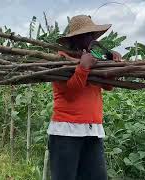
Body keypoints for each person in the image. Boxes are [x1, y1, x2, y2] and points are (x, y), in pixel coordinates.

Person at [47, 15, 121, 180]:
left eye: (91, 36)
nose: (90, 40)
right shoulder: (60, 59)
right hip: (66, 132)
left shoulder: (95, 58)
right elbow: (70, 94)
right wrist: (83, 67)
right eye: (85, 36)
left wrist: (112, 63)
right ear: (75, 39)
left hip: (93, 130)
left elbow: (108, 86)